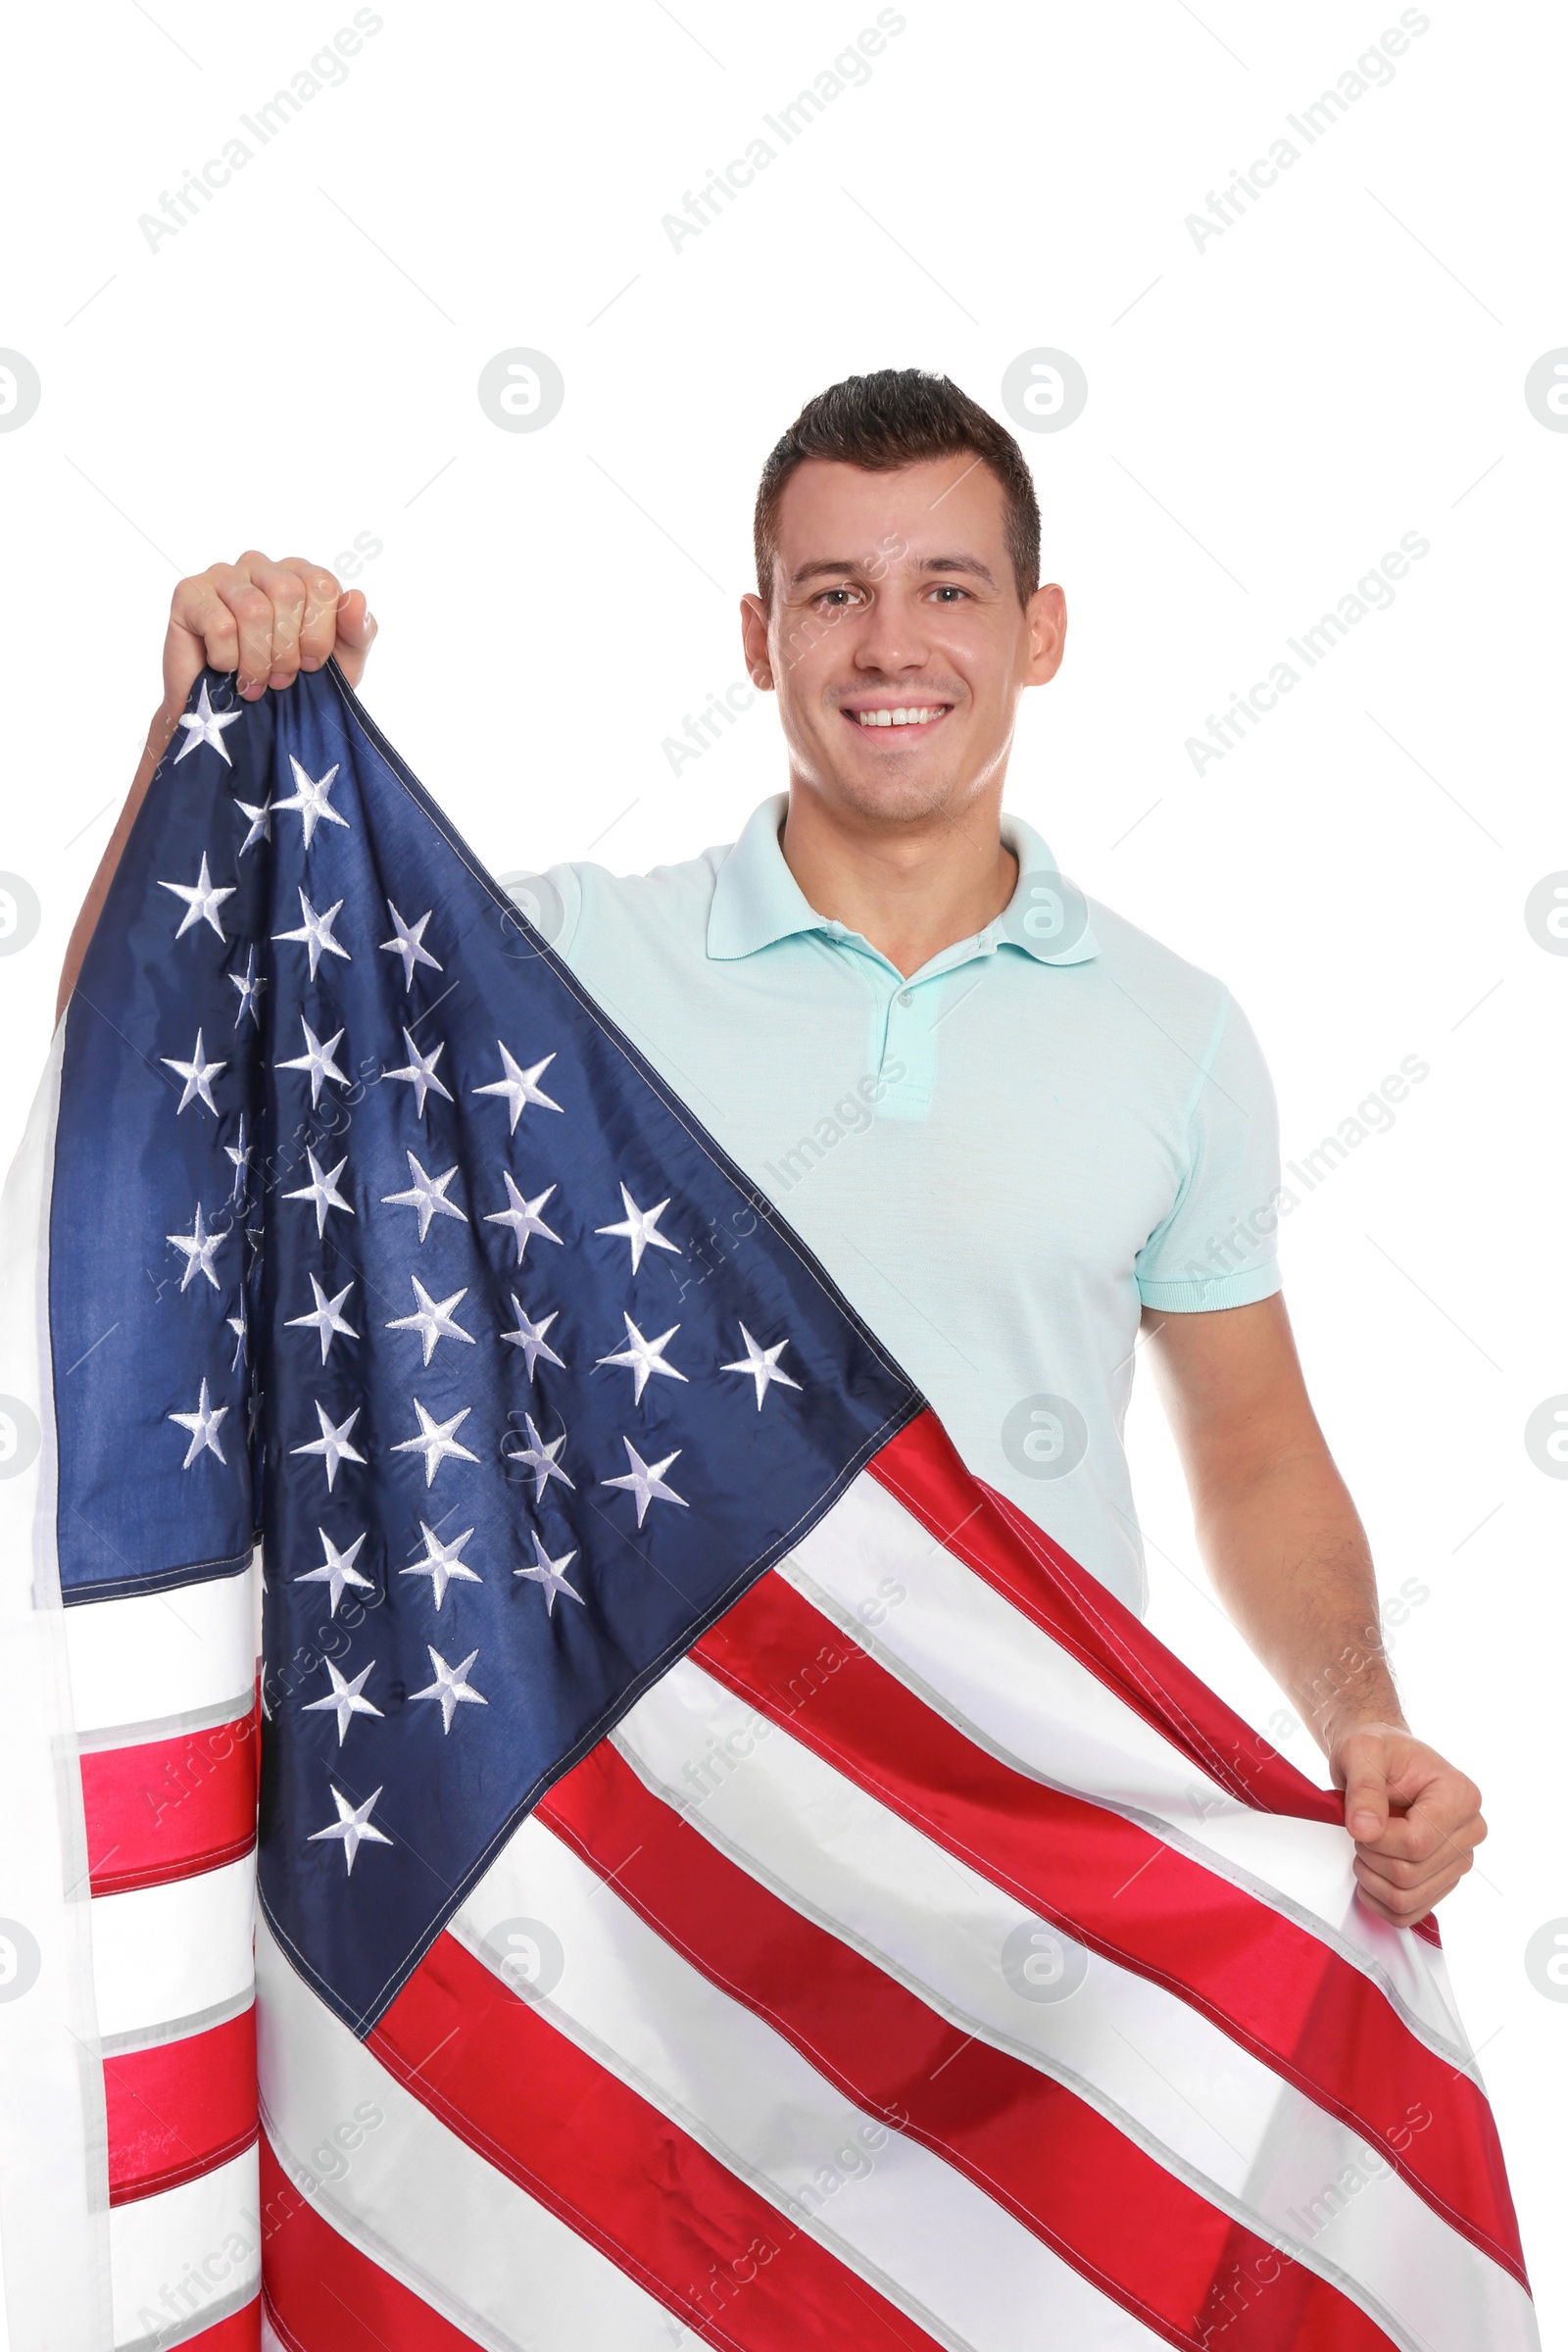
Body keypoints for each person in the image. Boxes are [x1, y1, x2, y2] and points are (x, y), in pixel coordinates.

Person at [57, 367, 1482, 1928]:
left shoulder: (1176, 1032)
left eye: (948, 587)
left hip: (1038, 1892)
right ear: (759, 639)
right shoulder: (567, 970)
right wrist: (206, 725)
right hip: (647, 1903)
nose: (890, 645)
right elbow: (163, 1064)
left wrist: (1363, 1719)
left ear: (1041, 630)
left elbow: (1255, 1454)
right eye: (831, 594)